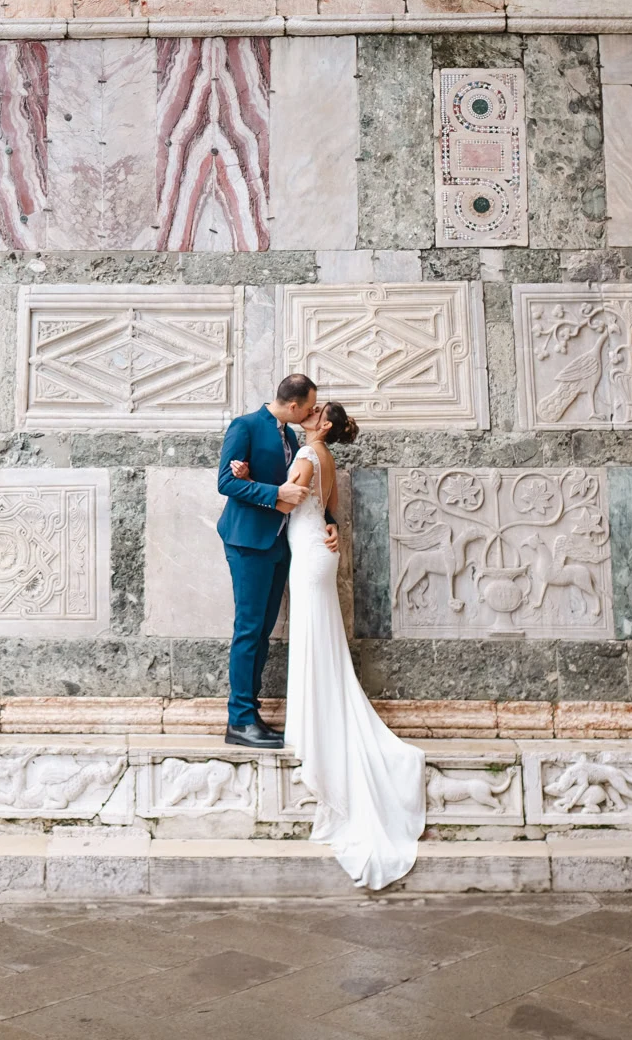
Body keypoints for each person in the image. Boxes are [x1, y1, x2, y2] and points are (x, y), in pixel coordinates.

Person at [234, 400, 426, 889]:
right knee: (319, 638)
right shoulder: (325, 455)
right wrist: (330, 523)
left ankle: (316, 726)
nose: (311, 412)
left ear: (320, 422)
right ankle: (319, 717)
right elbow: (329, 506)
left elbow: (283, 501)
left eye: (316, 410)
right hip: (316, 551)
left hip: (309, 557)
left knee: (315, 636)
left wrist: (248, 474)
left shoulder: (307, 454)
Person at [215, 373, 327, 749]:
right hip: (247, 542)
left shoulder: (291, 435)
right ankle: (239, 720)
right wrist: (272, 490)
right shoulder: (244, 426)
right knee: (248, 630)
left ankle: (251, 713)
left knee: (261, 632)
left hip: (279, 544)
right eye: (309, 408)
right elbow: (225, 483)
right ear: (293, 405)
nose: (312, 413)